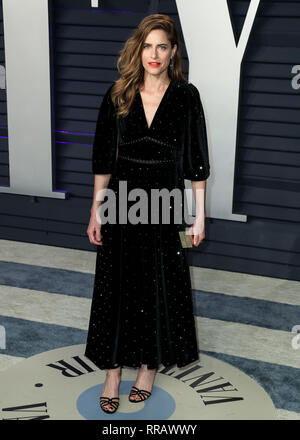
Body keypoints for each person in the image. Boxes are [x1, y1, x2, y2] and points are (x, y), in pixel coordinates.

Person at [85, 13, 210, 414]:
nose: (153, 54)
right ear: (138, 50)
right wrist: (96, 211)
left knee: (156, 290)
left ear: (173, 52)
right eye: (147, 45)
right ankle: (112, 372)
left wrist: (199, 215)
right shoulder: (118, 94)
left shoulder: (186, 97)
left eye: (162, 46)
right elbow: (103, 160)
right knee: (117, 288)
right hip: (122, 204)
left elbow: (196, 163)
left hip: (164, 206)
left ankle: (147, 367)